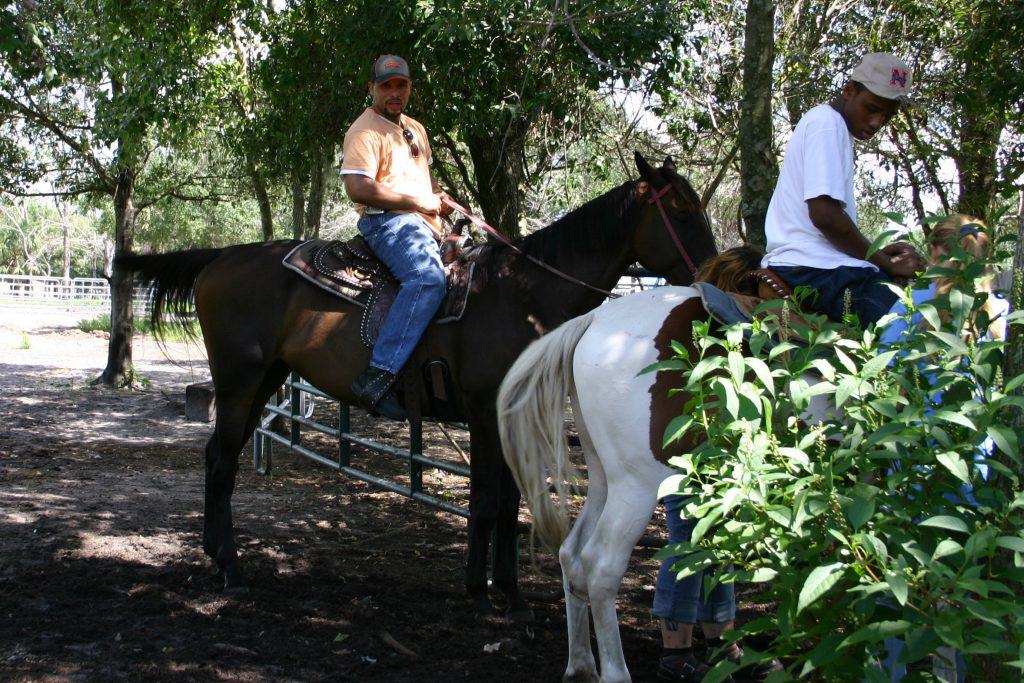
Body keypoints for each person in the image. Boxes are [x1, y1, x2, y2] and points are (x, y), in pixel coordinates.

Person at [761, 52, 924, 326]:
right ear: (849, 90)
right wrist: (888, 263)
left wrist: (881, 253)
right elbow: (826, 217)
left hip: (817, 266)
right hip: (812, 270)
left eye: (887, 115)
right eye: (872, 108)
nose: (877, 123)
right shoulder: (827, 124)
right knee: (914, 325)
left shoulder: (828, 124)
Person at [340, 54, 451, 421]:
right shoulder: (364, 132)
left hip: (424, 224)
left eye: (401, 85)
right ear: (371, 88)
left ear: (409, 88)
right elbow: (358, 188)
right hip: (386, 224)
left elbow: (426, 182)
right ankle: (378, 375)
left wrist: (439, 198)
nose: (394, 92)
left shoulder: (415, 129)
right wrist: (419, 201)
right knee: (427, 278)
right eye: (386, 86)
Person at [655, 495, 782, 682]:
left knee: (721, 539)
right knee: (688, 539)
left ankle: (723, 649)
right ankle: (675, 658)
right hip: (678, 469)